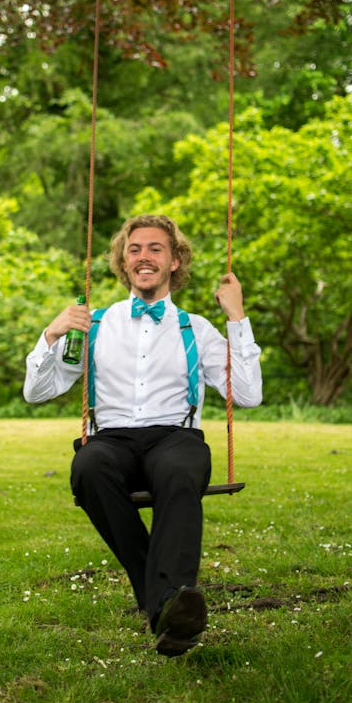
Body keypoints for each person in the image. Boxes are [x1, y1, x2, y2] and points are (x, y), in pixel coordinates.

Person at [24, 214, 262, 657]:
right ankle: (169, 601)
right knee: (88, 467)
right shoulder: (94, 325)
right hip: (111, 439)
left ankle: (164, 603)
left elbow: (247, 395)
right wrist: (50, 334)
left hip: (175, 436)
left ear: (175, 261)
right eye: (135, 249)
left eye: (156, 248)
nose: (144, 257)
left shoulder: (195, 328)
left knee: (177, 470)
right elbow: (37, 392)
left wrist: (237, 318)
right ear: (123, 262)